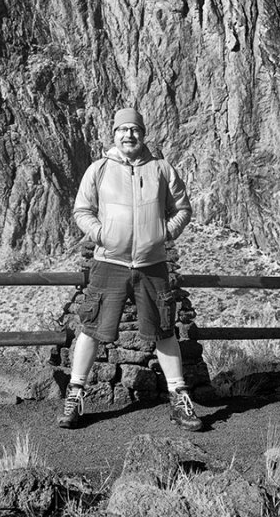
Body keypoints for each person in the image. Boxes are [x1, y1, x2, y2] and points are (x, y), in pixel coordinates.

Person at [58, 107, 202, 431]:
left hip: (152, 265)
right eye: (122, 129)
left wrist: (164, 233)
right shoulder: (99, 170)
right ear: (114, 134)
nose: (129, 135)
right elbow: (82, 209)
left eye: (134, 129)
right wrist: (100, 234)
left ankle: (179, 399)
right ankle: (75, 395)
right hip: (109, 262)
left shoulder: (162, 170)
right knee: (92, 329)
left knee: (164, 329)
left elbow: (182, 208)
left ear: (143, 133)